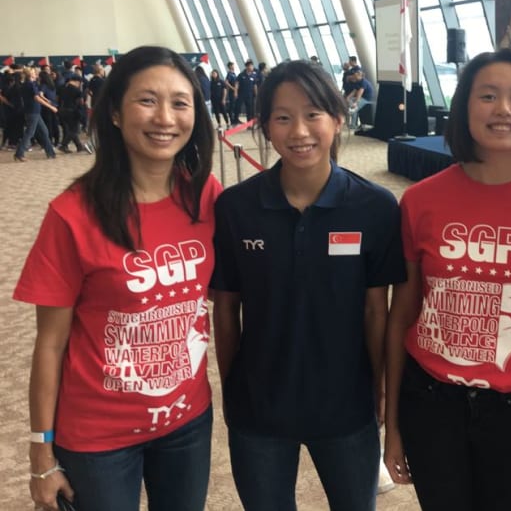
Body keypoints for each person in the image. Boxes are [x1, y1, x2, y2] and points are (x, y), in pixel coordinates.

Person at [15, 45, 219, 511]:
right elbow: (49, 343)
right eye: (147, 100)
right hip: (97, 437)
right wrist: (41, 453)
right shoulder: (71, 214)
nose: (165, 117)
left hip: (187, 421)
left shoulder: (206, 197)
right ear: (113, 112)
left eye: (180, 102)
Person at [384, 48, 511, 510]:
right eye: (488, 96)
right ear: (464, 107)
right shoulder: (420, 201)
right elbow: (402, 318)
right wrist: (392, 426)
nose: (503, 110)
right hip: (431, 402)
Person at [211, 60, 405, 511]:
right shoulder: (236, 208)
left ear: (337, 119)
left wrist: (375, 389)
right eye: (283, 117)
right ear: (265, 126)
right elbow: (225, 307)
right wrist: (233, 386)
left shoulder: (374, 206)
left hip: (346, 406)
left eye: (313, 113)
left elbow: (377, 310)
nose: (299, 130)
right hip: (258, 408)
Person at [14, 66, 57, 162]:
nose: (36, 73)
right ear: (30, 74)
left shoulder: (27, 84)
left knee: (44, 131)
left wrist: (45, 100)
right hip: (33, 112)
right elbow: (36, 98)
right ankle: (19, 153)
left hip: (33, 111)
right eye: (34, 72)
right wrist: (51, 107)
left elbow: (37, 96)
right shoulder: (30, 84)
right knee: (29, 133)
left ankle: (51, 153)